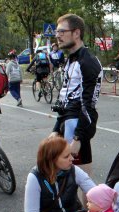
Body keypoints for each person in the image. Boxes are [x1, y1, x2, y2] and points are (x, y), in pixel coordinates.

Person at [49, 13, 102, 179]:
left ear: (76, 33)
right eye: (57, 32)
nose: (57, 36)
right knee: (80, 175)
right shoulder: (71, 59)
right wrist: (57, 128)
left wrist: (78, 138)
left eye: (62, 31)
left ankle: (88, 205)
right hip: (67, 120)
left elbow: (89, 104)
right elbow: (65, 95)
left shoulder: (87, 62)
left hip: (76, 124)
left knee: (78, 176)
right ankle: (85, 205)